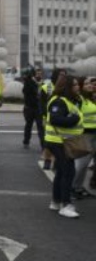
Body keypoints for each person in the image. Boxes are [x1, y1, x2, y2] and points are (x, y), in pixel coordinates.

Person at [45, 74, 82, 218]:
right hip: (59, 141)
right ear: (67, 87)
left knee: (61, 172)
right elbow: (56, 119)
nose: (77, 87)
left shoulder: (66, 100)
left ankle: (56, 201)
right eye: (74, 85)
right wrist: (75, 118)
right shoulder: (59, 101)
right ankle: (65, 205)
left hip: (62, 141)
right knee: (68, 172)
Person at [72, 77, 96, 198]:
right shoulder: (79, 99)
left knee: (86, 164)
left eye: (91, 83)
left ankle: (79, 187)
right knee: (81, 163)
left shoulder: (92, 98)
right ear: (81, 86)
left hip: (94, 134)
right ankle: (72, 188)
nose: (90, 85)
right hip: (84, 134)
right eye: (86, 83)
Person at [20, 67, 41, 147]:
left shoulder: (43, 83)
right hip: (29, 107)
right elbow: (25, 91)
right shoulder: (30, 82)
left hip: (37, 108)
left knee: (40, 126)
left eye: (40, 74)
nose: (39, 75)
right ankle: (26, 140)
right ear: (34, 75)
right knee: (28, 125)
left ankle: (43, 142)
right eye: (37, 74)